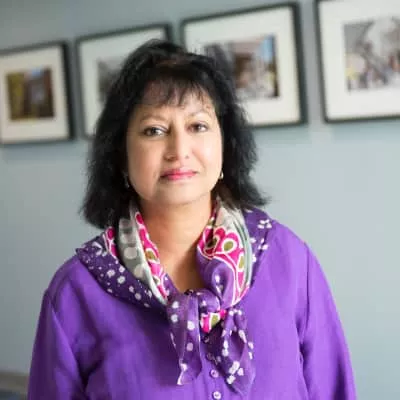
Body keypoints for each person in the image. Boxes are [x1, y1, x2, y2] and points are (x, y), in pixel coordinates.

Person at [28, 40, 356, 399]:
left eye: (198, 126)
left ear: (225, 144)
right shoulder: (76, 293)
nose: (179, 150)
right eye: (154, 130)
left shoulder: (289, 262)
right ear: (121, 155)